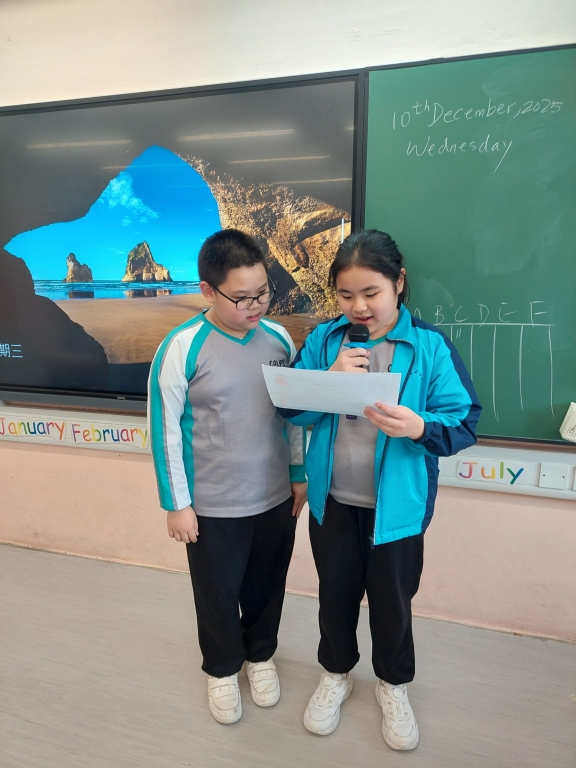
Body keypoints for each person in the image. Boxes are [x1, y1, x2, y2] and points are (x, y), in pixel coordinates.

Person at [279, 229, 481, 750]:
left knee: (393, 602)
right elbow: (289, 409)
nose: (359, 307)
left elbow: (463, 422)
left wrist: (419, 427)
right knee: (335, 595)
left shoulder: (429, 346)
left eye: (371, 293)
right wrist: (329, 378)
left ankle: (392, 684)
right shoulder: (325, 340)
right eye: (346, 295)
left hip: (398, 509)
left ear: (399, 283)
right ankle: (336, 674)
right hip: (332, 504)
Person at [148, 229, 307, 725]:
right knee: (217, 593)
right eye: (241, 298)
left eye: (263, 293)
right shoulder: (182, 347)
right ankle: (221, 669)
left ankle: (260, 656)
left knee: (267, 585)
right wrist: (177, 504)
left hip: (275, 495)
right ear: (207, 291)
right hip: (212, 505)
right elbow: (164, 431)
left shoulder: (279, 338)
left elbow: (292, 415)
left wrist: (298, 473)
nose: (255, 306)